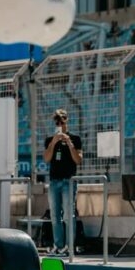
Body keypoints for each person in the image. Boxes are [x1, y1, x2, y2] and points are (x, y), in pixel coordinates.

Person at [43, 109, 82, 255]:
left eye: (62, 121)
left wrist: (69, 143)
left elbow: (78, 160)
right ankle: (58, 245)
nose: (60, 124)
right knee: (54, 215)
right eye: (57, 122)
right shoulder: (49, 140)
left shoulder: (75, 138)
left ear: (66, 121)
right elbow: (46, 159)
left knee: (68, 215)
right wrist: (54, 142)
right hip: (54, 181)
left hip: (68, 181)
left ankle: (69, 246)